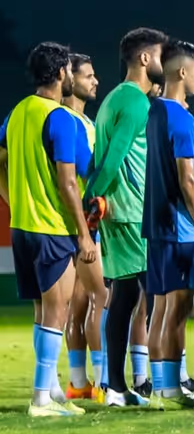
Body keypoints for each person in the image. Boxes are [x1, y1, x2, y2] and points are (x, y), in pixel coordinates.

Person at [0, 42, 97, 416]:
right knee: (58, 310)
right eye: (71, 70)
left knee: (44, 312)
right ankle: (41, 398)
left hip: (22, 227)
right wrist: (84, 235)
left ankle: (51, 388)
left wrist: (13, 199)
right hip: (52, 227)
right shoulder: (60, 118)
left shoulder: (18, 112)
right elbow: (68, 183)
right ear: (61, 74)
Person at [89, 28, 168, 407]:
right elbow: (113, 158)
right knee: (150, 296)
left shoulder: (115, 98)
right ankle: (153, 380)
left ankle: (117, 386)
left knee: (125, 297)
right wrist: (93, 196)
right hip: (131, 214)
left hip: (121, 213)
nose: (163, 63)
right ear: (143, 59)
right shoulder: (135, 102)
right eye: (159, 56)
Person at [142, 40, 194, 410]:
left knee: (160, 308)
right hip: (179, 229)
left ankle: (162, 388)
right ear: (183, 72)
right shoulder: (181, 118)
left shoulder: (154, 111)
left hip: (156, 227)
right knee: (178, 308)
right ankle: (171, 391)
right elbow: (187, 177)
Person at [61, 53, 109, 401]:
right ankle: (104, 382)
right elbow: (82, 177)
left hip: (80, 224)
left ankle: (79, 384)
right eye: (88, 76)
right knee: (101, 297)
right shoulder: (66, 122)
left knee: (78, 305)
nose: (95, 82)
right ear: (69, 79)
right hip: (82, 226)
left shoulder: (86, 123)